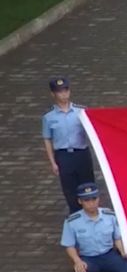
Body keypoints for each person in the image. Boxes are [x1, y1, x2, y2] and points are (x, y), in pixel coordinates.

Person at [60, 182, 127, 272]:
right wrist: (78, 261)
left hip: (109, 254)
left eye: (94, 199)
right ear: (80, 201)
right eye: (87, 200)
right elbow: (69, 245)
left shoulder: (109, 215)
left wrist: (123, 252)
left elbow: (117, 238)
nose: (91, 203)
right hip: (89, 257)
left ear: (99, 198)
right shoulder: (72, 221)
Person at [42, 77, 95, 214]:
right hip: (64, 155)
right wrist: (53, 162)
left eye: (66, 90)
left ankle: (91, 212)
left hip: (82, 153)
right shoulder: (49, 117)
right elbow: (47, 139)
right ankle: (76, 215)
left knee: (88, 185)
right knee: (69, 189)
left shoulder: (81, 112)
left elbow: (93, 130)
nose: (64, 94)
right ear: (53, 94)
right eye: (60, 92)